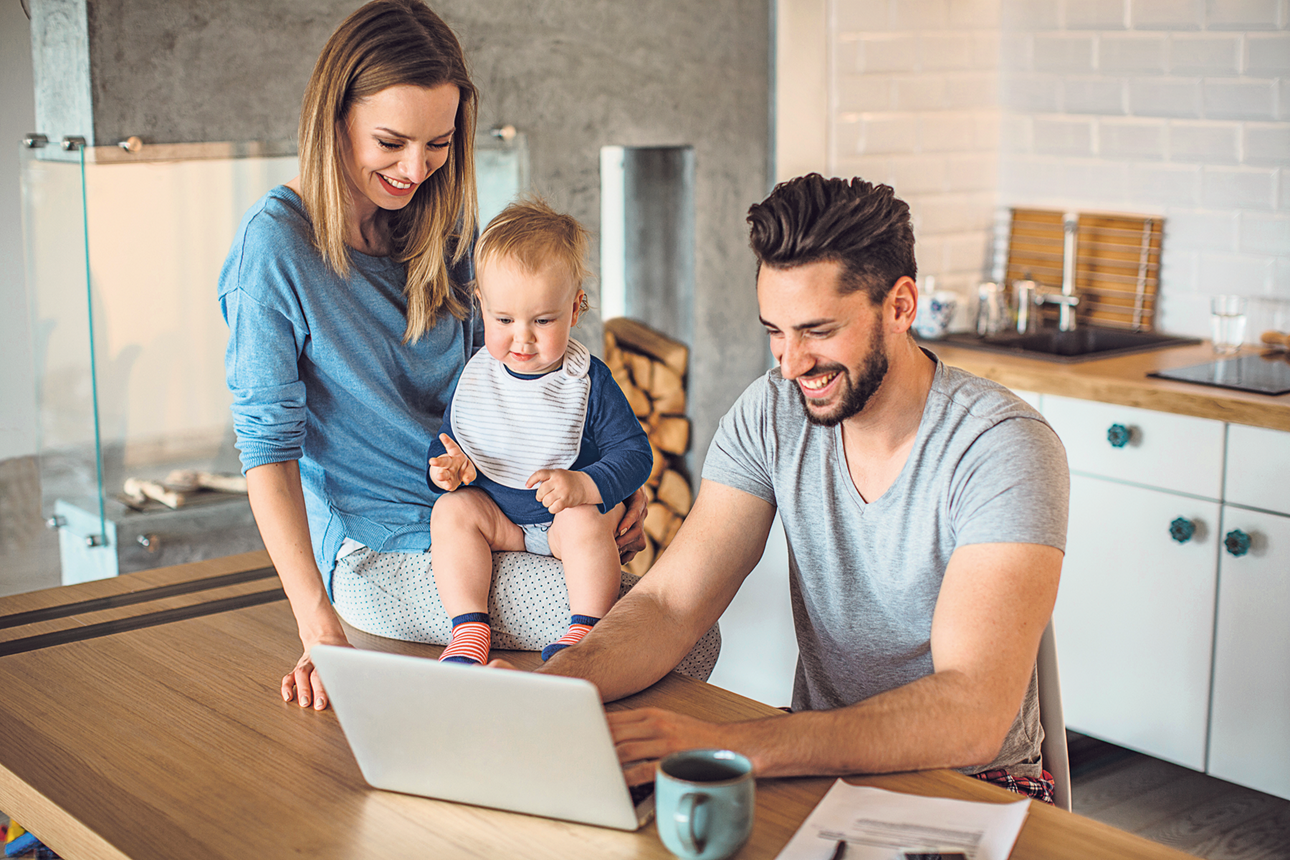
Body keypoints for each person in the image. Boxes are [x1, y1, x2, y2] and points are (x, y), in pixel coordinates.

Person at [219, 0, 720, 711]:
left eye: (438, 144)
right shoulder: (274, 250)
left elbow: (510, 378)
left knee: (671, 632)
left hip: (497, 512)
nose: (415, 169)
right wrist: (316, 621)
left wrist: (601, 484)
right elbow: (265, 449)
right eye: (390, 142)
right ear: (335, 118)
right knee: (682, 639)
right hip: (387, 548)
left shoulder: (444, 225)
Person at [535, 174, 1070, 803]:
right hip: (817, 767)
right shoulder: (770, 413)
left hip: (977, 786)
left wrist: (726, 746)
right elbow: (671, 605)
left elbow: (970, 710)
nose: (790, 364)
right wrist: (553, 690)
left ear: (900, 307)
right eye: (774, 332)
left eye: (817, 331)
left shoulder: (1002, 446)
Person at [426, 200, 652, 665]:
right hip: (502, 523)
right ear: (482, 308)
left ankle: (586, 631)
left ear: (575, 309)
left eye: (543, 321)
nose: (522, 338)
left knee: (583, 519)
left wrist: (585, 485)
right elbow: (452, 440)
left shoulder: (587, 381)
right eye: (504, 320)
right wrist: (448, 469)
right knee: (451, 512)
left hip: (562, 527)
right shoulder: (480, 376)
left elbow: (635, 454)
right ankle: (468, 629)